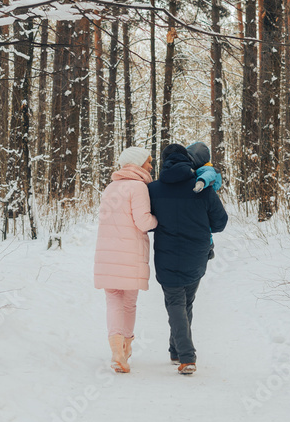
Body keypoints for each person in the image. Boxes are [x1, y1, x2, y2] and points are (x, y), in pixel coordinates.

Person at [148, 143, 228, 375]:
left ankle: (186, 356)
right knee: (186, 302)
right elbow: (220, 224)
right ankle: (176, 350)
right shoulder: (201, 188)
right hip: (197, 255)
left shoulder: (153, 189)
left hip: (167, 255)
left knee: (175, 303)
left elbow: (147, 221)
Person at [94, 146, 157, 373]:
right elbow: (143, 222)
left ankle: (116, 352)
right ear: (138, 164)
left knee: (112, 301)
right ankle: (126, 349)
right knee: (129, 303)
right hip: (130, 256)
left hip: (107, 255)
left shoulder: (110, 187)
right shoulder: (139, 187)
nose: (151, 166)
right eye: (148, 162)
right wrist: (157, 220)